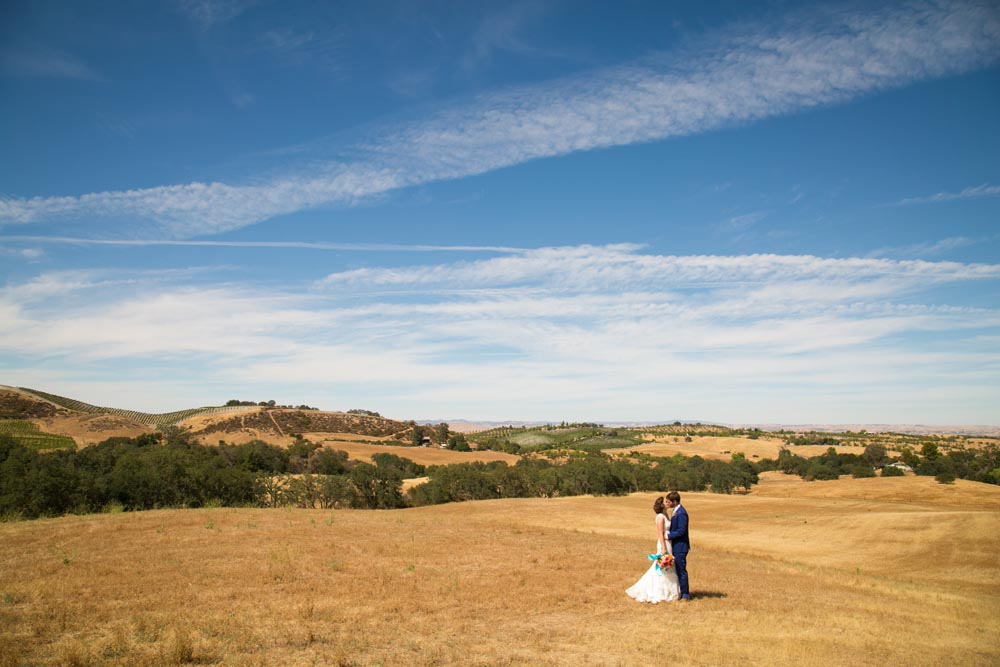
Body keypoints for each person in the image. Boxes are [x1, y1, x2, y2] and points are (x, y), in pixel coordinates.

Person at [625, 496, 681, 603]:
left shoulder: (666, 515)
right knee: (662, 566)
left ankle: (670, 591)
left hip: (669, 542)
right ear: (662, 505)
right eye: (666, 502)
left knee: (669, 566)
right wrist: (664, 547)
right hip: (663, 543)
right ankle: (659, 591)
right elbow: (660, 533)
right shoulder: (660, 517)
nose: (668, 503)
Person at [665, 491, 691, 601]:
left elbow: (681, 531)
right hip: (675, 545)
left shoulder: (681, 513)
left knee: (681, 569)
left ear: (675, 502)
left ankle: (685, 594)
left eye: (669, 502)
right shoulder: (676, 511)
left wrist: (669, 536)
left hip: (680, 546)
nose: (667, 503)